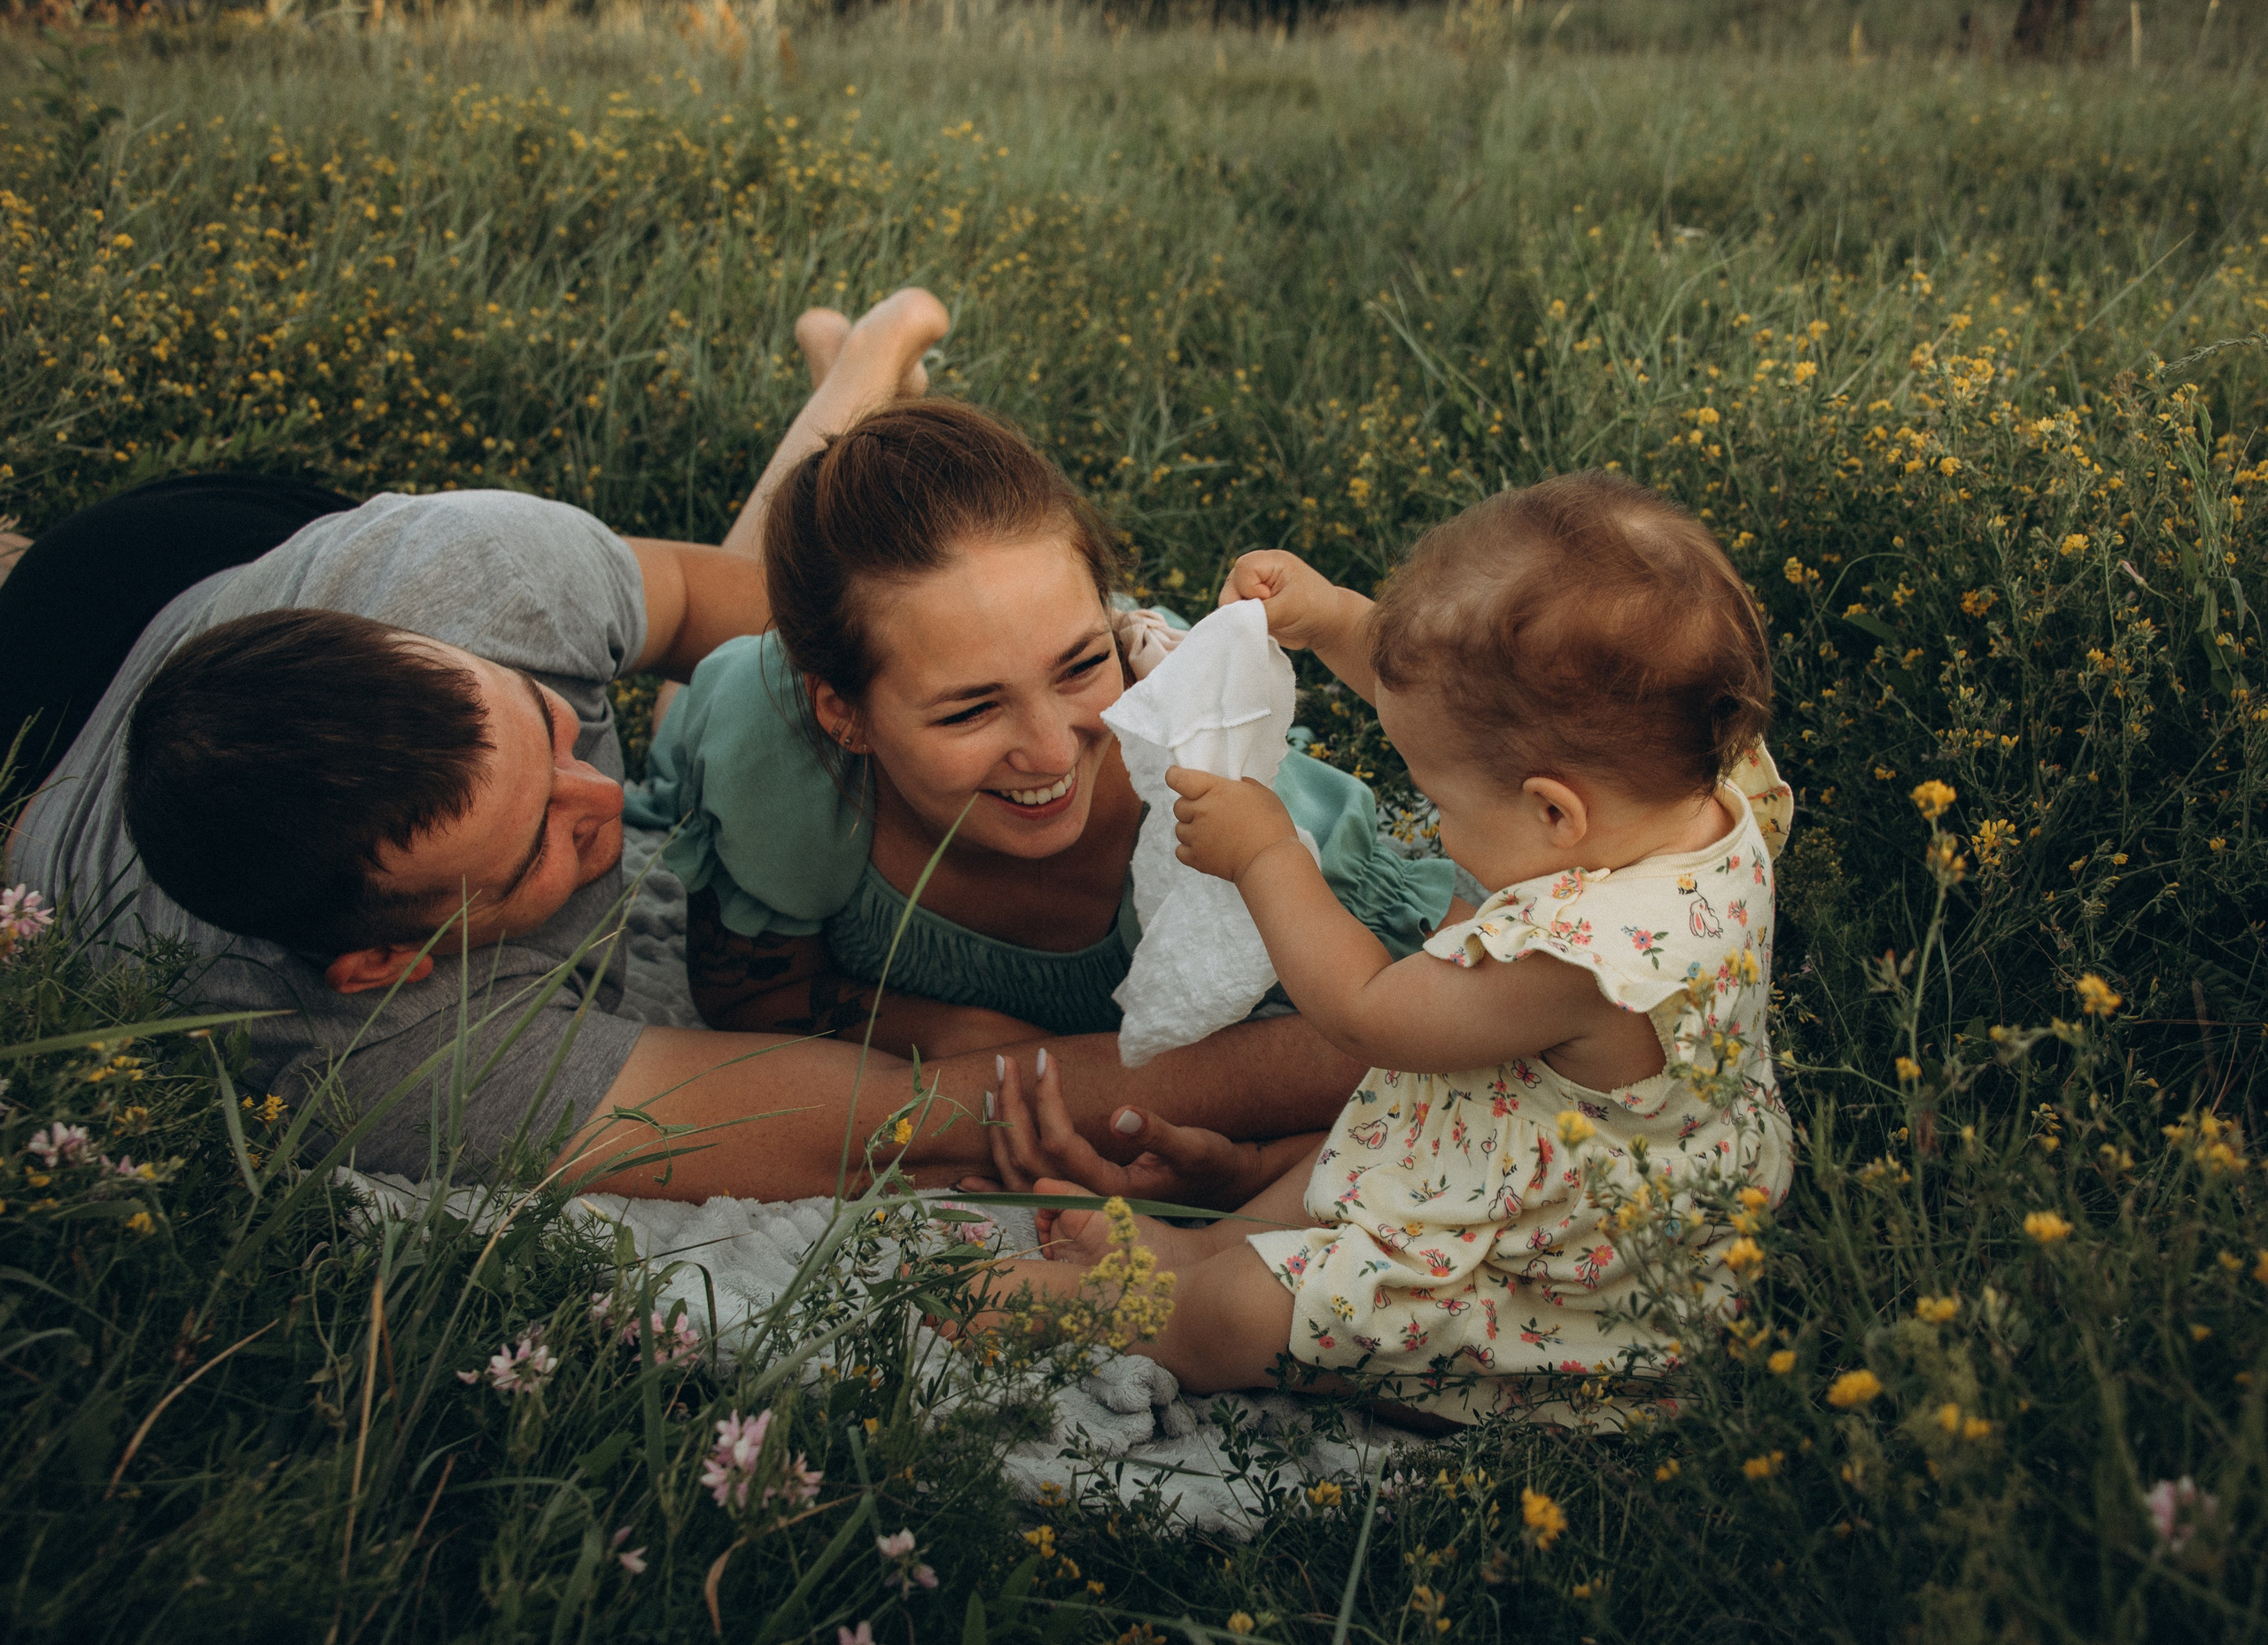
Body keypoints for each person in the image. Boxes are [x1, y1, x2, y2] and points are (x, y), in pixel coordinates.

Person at [0, 291, 1355, 1201]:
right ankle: (859, 368)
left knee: (750, 684)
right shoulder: (401, 1065)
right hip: (37, 728)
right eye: (544, 843)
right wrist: (1370, 1051)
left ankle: (865, 379)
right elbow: (907, 1112)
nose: (611, 800)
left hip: (187, 560)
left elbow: (757, 615)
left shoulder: (481, 579)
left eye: (546, 723)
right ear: (383, 960)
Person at [986, 472, 1798, 1424]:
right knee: (1377, 1136)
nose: (1436, 832)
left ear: (1552, 810)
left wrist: (1267, 854)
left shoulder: (1575, 962)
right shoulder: (1686, 781)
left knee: (1259, 1313)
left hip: (1551, 1285)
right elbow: (1468, 701)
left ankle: (1159, 1310)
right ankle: (1205, 1249)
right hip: (1536, 1157)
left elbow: (1366, 1011)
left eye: (1442, 807)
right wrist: (1331, 619)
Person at [623, 397, 1464, 1140]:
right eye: (970, 709)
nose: (1055, 754)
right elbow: (749, 1001)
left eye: (1079, 665)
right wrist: (947, 1033)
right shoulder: (768, 747)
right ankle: (864, 366)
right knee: (677, 724)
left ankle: (870, 360)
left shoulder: (1228, 795)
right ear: (841, 715)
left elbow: (1438, 1026)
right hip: (745, 701)